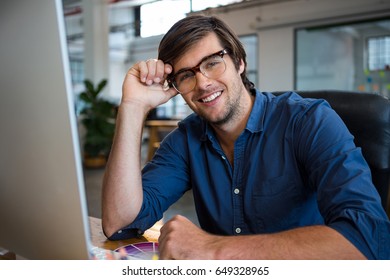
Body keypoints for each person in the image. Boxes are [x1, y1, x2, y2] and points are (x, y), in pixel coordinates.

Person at [101, 15, 390, 259]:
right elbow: (119, 223)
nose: (203, 83)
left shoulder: (309, 122)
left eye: (213, 62)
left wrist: (213, 249)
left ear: (239, 62)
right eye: (186, 75)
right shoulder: (185, 140)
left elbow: (370, 239)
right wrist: (133, 106)